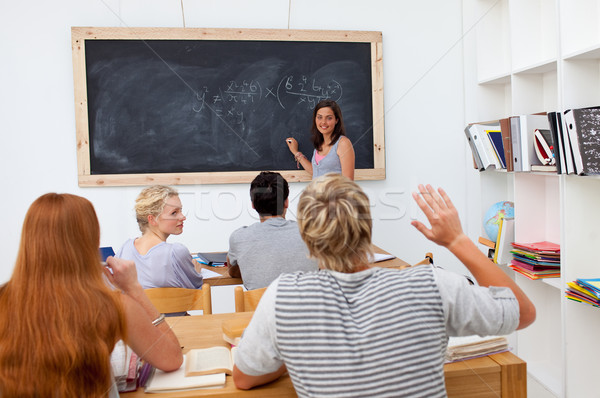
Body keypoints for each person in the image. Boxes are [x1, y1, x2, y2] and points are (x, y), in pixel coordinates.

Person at [232, 174, 535, 397]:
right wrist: (457, 241)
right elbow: (522, 312)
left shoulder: (283, 298)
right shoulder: (431, 284)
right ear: (368, 227)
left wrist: (289, 353)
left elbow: (244, 378)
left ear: (306, 238)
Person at [0, 193, 183, 397]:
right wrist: (133, 289)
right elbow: (172, 359)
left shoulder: (3, 298)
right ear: (90, 240)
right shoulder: (112, 306)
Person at [227, 171, 319, 290]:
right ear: (286, 202)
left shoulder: (239, 237)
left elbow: (233, 272)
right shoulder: (312, 233)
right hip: (307, 307)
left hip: (260, 308)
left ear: (253, 205)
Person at [117, 185, 203, 289]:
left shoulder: (125, 248)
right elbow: (196, 290)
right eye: (174, 213)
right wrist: (196, 271)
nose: (183, 217)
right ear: (152, 219)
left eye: (180, 210)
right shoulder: (176, 252)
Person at [286, 99, 355, 180]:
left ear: (336, 120)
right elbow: (315, 171)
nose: (323, 122)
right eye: (319, 117)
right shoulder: (320, 144)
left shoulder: (343, 143)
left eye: (329, 118)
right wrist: (295, 152)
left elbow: (348, 183)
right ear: (315, 119)